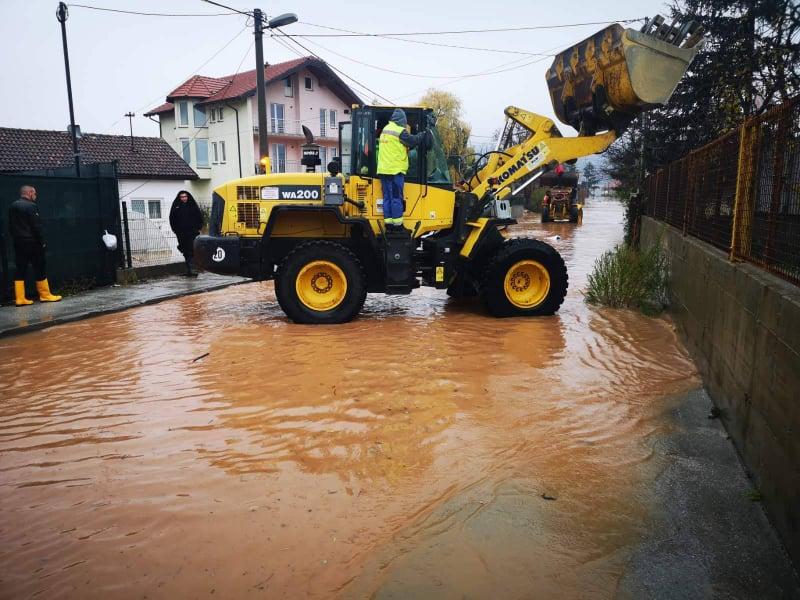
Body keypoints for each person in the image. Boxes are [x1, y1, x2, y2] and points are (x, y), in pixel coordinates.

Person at [376, 109, 430, 232]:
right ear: (402, 120)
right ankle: (398, 226)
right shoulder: (399, 131)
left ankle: (388, 224)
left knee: (387, 198)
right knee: (396, 198)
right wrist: (424, 134)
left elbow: (396, 147)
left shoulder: (385, 130)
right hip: (394, 171)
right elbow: (413, 140)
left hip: (383, 171)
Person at [9, 185, 61, 306]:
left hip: (19, 242)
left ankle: (20, 298)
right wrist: (41, 241)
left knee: (20, 268)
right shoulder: (31, 206)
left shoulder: (13, 206)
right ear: (30, 193)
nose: (35, 196)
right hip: (32, 242)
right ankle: (45, 295)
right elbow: (36, 226)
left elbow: (11, 225)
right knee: (40, 266)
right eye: (35, 194)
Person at [169, 190, 204, 277]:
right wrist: (175, 229)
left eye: (185, 197)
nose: (184, 198)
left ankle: (192, 269)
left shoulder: (192, 205)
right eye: (182, 197)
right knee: (185, 249)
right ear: (179, 198)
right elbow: (172, 218)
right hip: (181, 233)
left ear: (188, 197)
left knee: (191, 249)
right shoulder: (176, 206)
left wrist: (198, 228)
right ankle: (189, 270)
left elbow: (199, 217)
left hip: (192, 232)